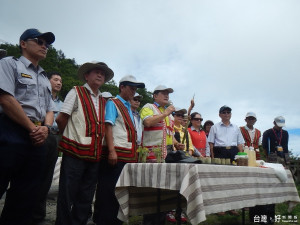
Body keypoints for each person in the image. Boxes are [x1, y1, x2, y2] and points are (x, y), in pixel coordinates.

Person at [0, 28, 56, 225]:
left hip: (39, 137)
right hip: (11, 131)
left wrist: (46, 128)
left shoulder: (44, 78)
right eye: (39, 41)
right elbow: (6, 99)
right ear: (23, 43)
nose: (44, 46)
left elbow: (50, 109)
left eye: (47, 44)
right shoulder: (9, 64)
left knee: (26, 194)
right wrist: (33, 128)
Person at [55, 61, 114, 225]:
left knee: (86, 195)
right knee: (67, 193)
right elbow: (61, 118)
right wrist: (69, 136)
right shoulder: (76, 91)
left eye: (102, 73)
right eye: (96, 71)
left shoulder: (104, 100)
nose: (100, 75)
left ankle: (79, 222)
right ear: (87, 75)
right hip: (74, 151)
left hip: (94, 155)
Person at [93, 75, 145, 225]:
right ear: (122, 87)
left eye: (135, 89)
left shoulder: (129, 107)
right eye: (131, 88)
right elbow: (108, 126)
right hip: (116, 154)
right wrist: (111, 150)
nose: (133, 92)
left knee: (121, 191)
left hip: (127, 156)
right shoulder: (113, 103)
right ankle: (103, 221)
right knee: (108, 191)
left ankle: (115, 221)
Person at [31, 72, 63, 225]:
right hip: (39, 133)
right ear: (47, 81)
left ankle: (38, 215)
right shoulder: (40, 96)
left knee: (46, 177)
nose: (59, 82)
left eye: (60, 81)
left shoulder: (62, 104)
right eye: (55, 79)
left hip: (55, 137)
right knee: (32, 175)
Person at [207, 105, 244, 216]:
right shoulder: (215, 127)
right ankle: (219, 208)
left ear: (231, 114)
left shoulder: (236, 128)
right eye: (224, 112)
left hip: (233, 152)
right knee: (219, 180)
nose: (226, 114)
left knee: (233, 180)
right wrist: (213, 158)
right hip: (220, 152)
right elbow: (211, 144)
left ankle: (231, 207)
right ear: (220, 115)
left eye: (228, 112)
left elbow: (240, 144)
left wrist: (241, 157)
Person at [140, 85, 177, 163]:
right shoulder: (149, 107)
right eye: (164, 93)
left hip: (169, 151)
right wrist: (165, 114)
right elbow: (147, 122)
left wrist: (177, 143)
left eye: (167, 94)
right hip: (152, 153)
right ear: (155, 96)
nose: (166, 96)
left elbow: (169, 133)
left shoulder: (170, 115)